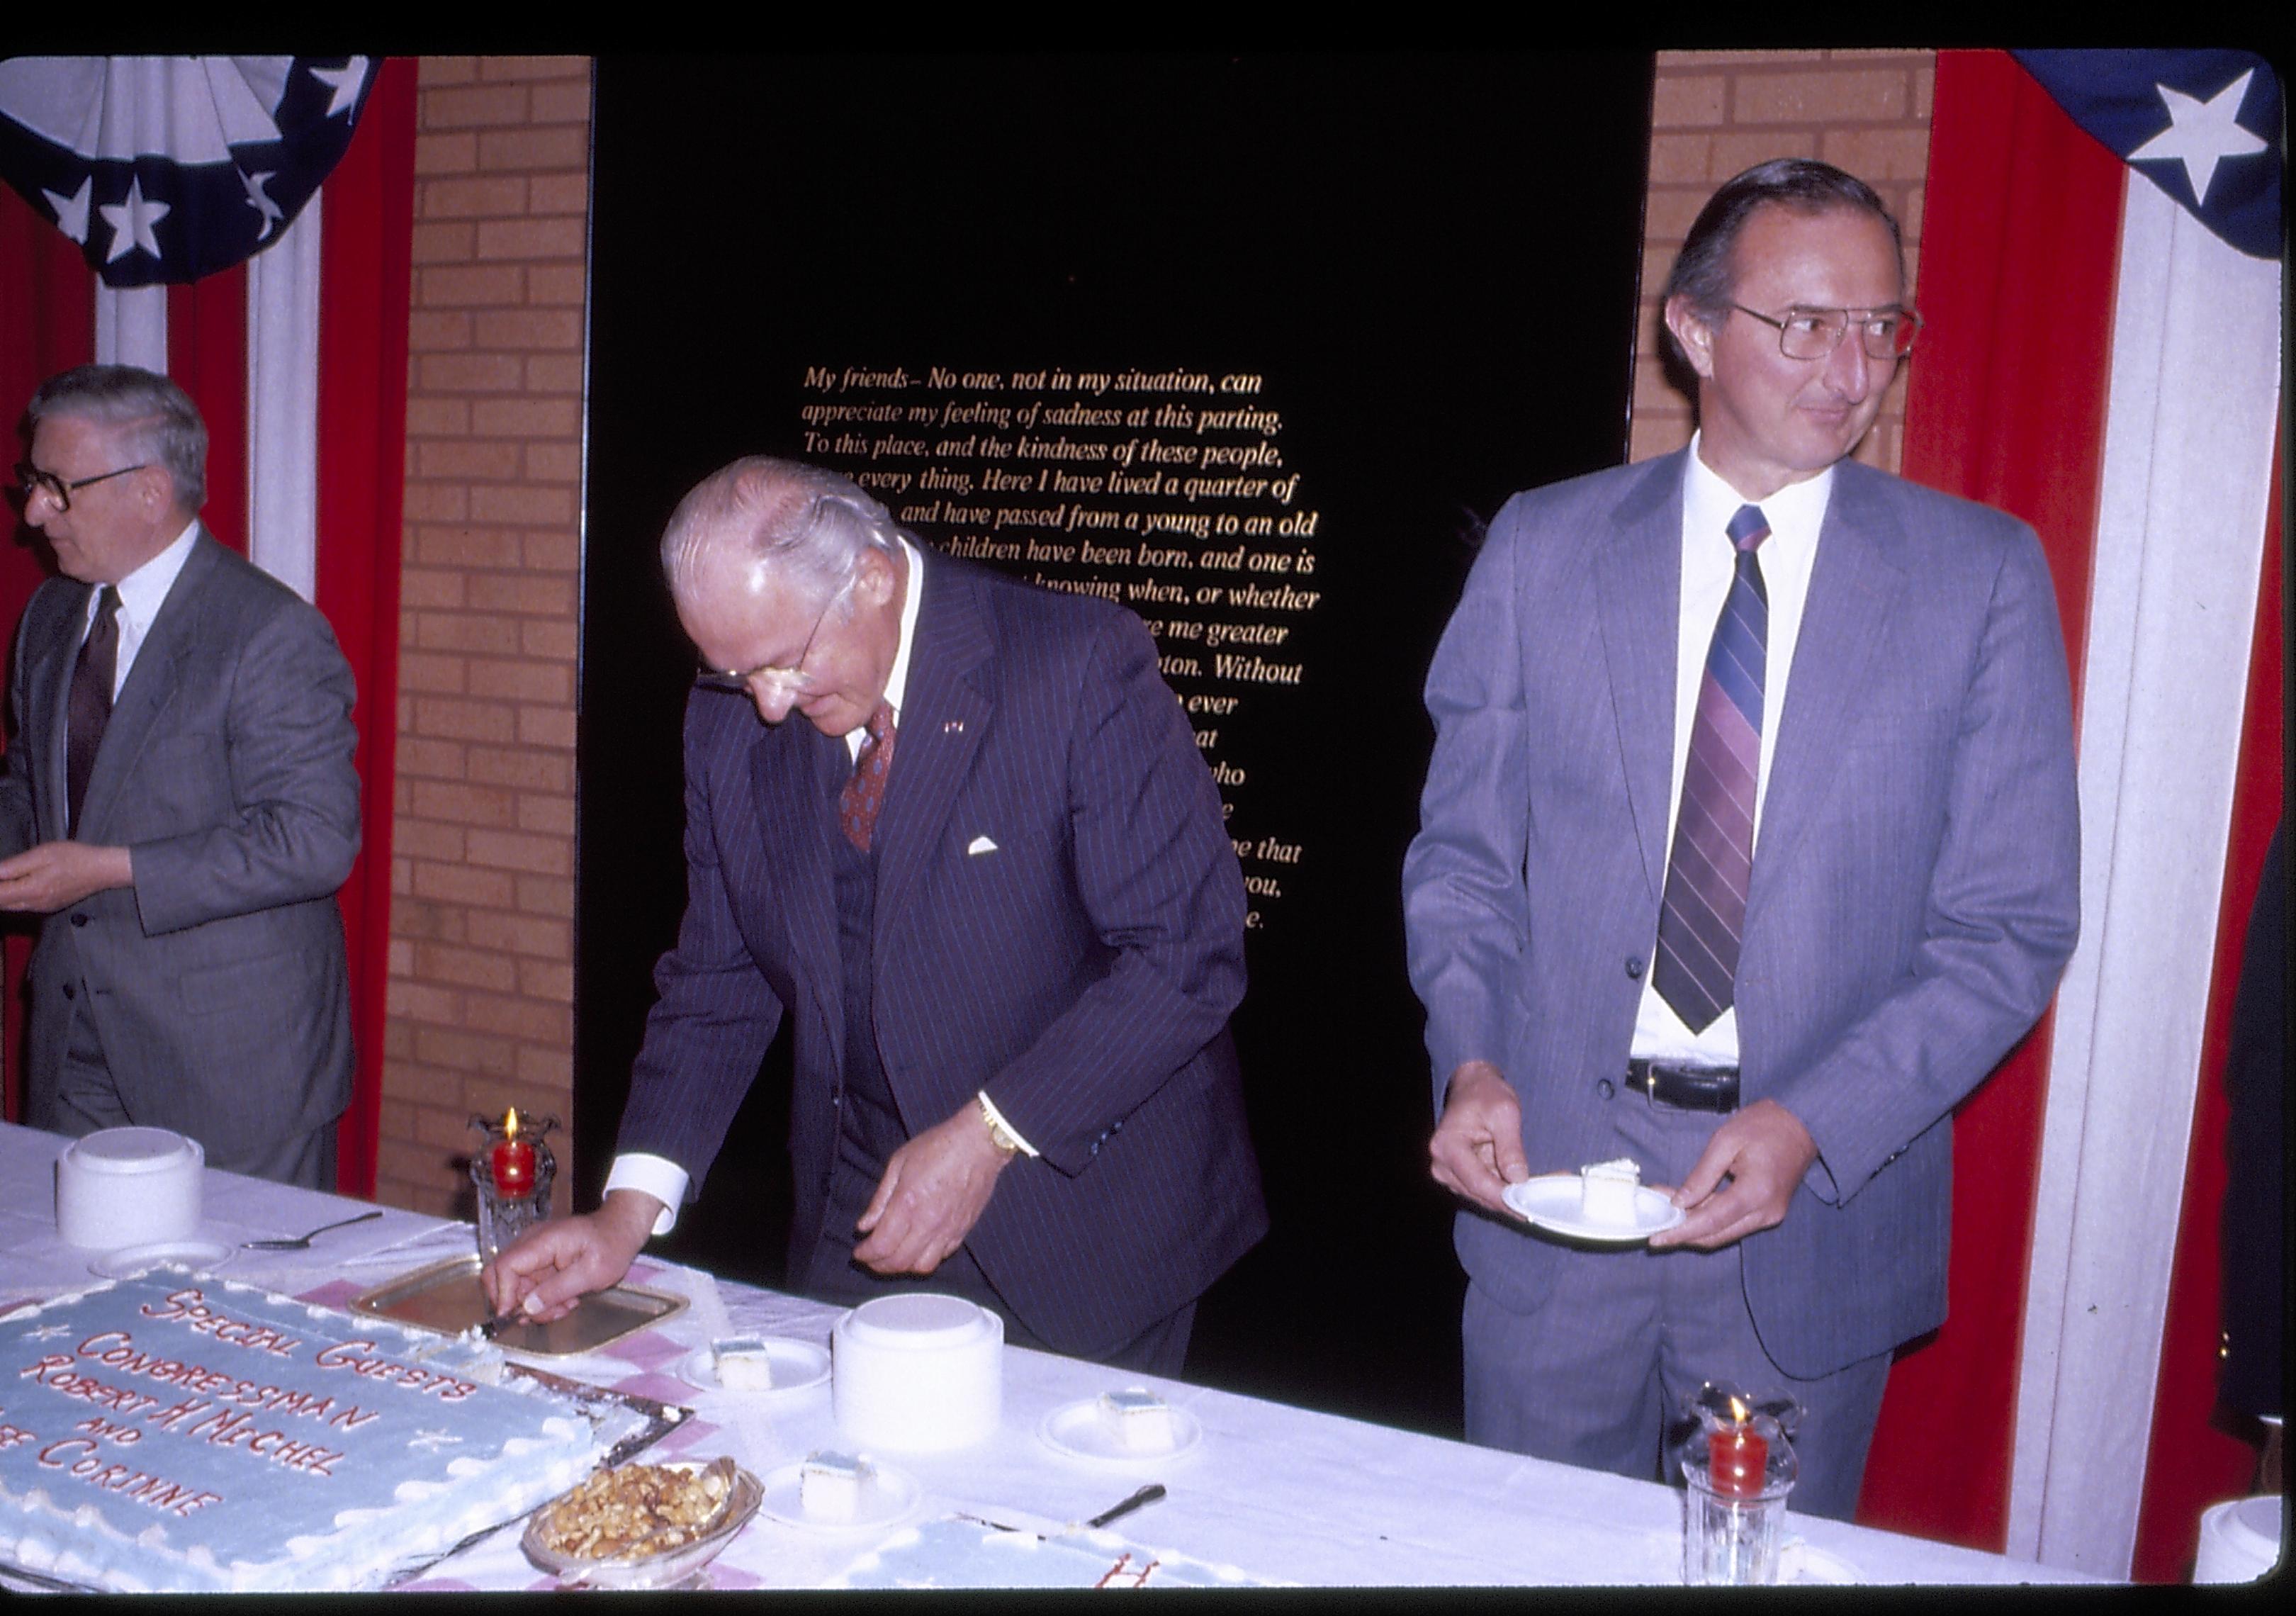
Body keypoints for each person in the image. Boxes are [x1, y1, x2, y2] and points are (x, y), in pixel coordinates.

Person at [1402, 159, 2080, 1519]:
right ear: (1697, 331)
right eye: (1807, 323)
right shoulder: (1544, 546)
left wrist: (1814, 1124)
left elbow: (2011, 926)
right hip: (1557, 1203)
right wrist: (1470, 1058)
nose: (1853, 365)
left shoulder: (1980, 575)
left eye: (1883, 324)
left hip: (1808, 1232)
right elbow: (1464, 862)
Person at [487, 458, 1264, 1373]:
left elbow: (1186, 957)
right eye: (738, 673)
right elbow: (716, 981)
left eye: (783, 661)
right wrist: (628, 1213)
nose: (767, 702)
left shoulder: (1074, 665)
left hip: (1086, 1219)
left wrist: (988, 1135)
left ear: (873, 577)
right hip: (865, 1208)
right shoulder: (730, 717)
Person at [0, 364, 361, 1189]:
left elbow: (313, 840)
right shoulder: (52, 617)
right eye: (32, 482)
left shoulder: (269, 633)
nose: (32, 513)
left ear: (150, 492)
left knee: (241, 1311)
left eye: (57, 487)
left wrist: (106, 869)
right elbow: (31, 791)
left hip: (236, 1073)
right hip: (74, 1046)